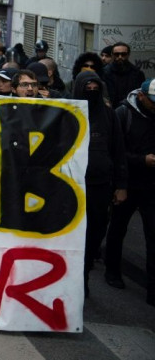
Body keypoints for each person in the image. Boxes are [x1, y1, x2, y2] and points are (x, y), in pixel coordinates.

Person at [71, 71, 128, 298]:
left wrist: (121, 185)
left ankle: (84, 275)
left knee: (94, 234)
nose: (92, 91)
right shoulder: (67, 113)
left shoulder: (108, 115)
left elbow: (118, 151)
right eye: (88, 88)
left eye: (96, 87)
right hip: (71, 186)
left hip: (99, 188)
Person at [106, 78, 155, 306]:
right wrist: (141, 160)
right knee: (117, 228)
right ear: (142, 96)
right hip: (127, 183)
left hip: (151, 187)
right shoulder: (123, 114)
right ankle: (112, 271)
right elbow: (115, 152)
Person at [102, 42, 146, 107]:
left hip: (130, 110)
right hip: (110, 111)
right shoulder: (104, 72)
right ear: (112, 55)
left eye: (123, 54)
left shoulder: (137, 73)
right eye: (117, 54)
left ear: (128, 55)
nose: (120, 57)